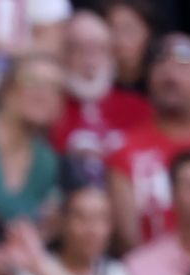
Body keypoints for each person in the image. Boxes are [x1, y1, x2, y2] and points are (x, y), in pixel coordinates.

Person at [106, 33, 190, 251]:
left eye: (183, 67)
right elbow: (126, 238)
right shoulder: (125, 149)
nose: (170, 76)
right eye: (161, 65)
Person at [0, 51, 64, 221]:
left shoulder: (46, 161)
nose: (43, 94)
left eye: (54, 87)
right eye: (33, 81)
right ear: (8, 86)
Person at [51, 10, 150, 178]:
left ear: (112, 56)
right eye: (78, 50)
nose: (89, 61)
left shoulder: (140, 110)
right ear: (63, 55)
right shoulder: (49, 108)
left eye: (98, 50)